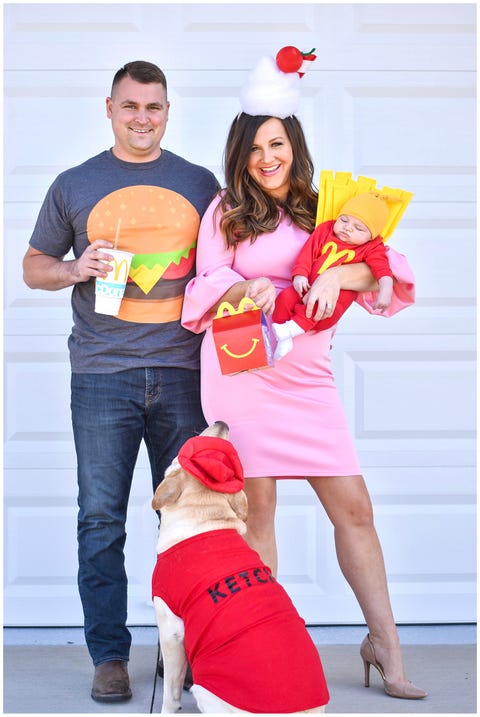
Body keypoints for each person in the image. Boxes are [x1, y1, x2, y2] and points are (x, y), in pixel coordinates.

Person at [181, 49, 427, 700]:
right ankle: (262, 649)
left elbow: (385, 266)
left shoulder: (328, 209)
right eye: (256, 146)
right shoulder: (224, 211)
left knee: (355, 508)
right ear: (241, 152)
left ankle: (386, 647)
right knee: (258, 516)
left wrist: (340, 272)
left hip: (307, 379)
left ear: (295, 144)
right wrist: (249, 285)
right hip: (244, 378)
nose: (268, 157)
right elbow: (206, 282)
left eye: (278, 143)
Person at [22, 60, 220, 703]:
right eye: (131, 106)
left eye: (154, 107)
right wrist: (76, 269)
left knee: (190, 521)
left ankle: (183, 656)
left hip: (183, 373)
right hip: (101, 375)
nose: (143, 118)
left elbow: (228, 265)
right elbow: (32, 268)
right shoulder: (76, 184)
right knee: (101, 519)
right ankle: (110, 655)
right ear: (109, 108)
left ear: (169, 110)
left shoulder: (199, 183)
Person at [272, 191, 395, 359]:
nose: (348, 227)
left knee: (317, 304)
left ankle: (291, 329)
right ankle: (284, 337)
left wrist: (385, 292)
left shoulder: (372, 247)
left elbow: (382, 270)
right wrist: (300, 275)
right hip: (307, 287)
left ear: (371, 236)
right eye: (344, 219)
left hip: (330, 306)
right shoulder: (326, 230)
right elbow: (308, 252)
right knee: (285, 297)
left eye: (359, 228)